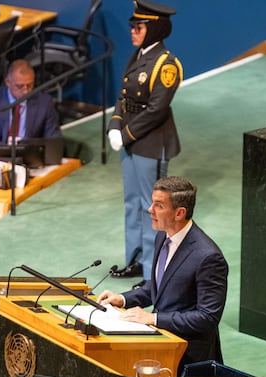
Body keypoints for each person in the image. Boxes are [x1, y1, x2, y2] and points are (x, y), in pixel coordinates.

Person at [98, 176, 228, 374]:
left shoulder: (208, 257)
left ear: (179, 213)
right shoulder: (163, 236)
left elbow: (207, 317)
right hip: (162, 345)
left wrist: (154, 319)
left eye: (158, 205)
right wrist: (123, 299)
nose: (150, 210)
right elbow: (159, 286)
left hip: (189, 358)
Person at [107, 0, 183, 287]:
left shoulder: (166, 65)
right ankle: (136, 260)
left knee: (153, 208)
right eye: (132, 26)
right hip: (131, 142)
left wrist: (125, 134)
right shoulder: (138, 56)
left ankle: (153, 272)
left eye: (138, 27)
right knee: (132, 204)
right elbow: (123, 96)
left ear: (154, 29)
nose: (132, 31)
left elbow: (157, 109)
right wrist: (115, 124)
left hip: (150, 143)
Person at [0, 59, 62, 145]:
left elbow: (53, 138)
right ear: (8, 82)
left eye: (30, 85)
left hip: (29, 155)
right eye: (19, 86)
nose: (25, 91)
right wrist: (6, 151)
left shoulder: (44, 103)